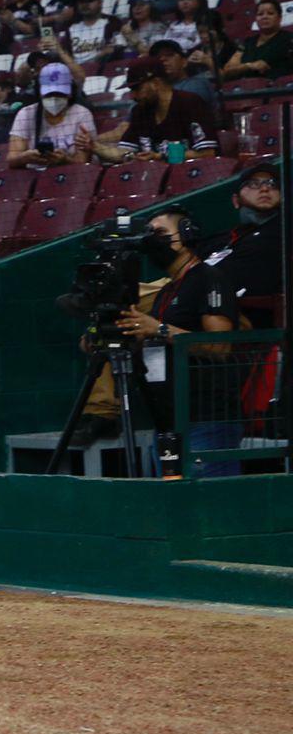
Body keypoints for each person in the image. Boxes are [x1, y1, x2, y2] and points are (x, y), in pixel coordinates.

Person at [115, 211, 240, 477]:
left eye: (160, 233)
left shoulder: (209, 278)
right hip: (168, 421)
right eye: (149, 233)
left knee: (207, 504)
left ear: (186, 234)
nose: (152, 240)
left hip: (205, 419)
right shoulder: (167, 290)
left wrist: (158, 329)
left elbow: (220, 346)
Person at [200, 163, 283, 327]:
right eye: (253, 184)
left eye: (272, 184)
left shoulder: (283, 232)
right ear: (236, 200)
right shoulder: (221, 239)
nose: (265, 189)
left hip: (246, 318)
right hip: (197, 302)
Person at [98, 57, 218, 161]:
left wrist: (161, 157)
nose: (133, 96)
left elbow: (207, 153)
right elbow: (124, 153)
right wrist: (94, 146)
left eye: (137, 89)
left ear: (155, 83)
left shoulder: (190, 103)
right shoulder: (140, 111)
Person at [7, 63, 96, 169]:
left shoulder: (82, 114)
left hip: (72, 176)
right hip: (34, 175)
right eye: (49, 94)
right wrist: (25, 157)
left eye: (59, 94)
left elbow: (83, 163)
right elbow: (11, 160)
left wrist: (66, 161)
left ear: (70, 92)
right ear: (39, 92)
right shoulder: (26, 114)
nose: (54, 98)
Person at [222, 0, 293, 81]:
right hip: (248, 88)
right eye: (260, 14)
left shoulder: (289, 39)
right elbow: (227, 71)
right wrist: (249, 66)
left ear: (280, 18)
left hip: (280, 89)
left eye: (270, 13)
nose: (264, 17)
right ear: (256, 19)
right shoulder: (248, 42)